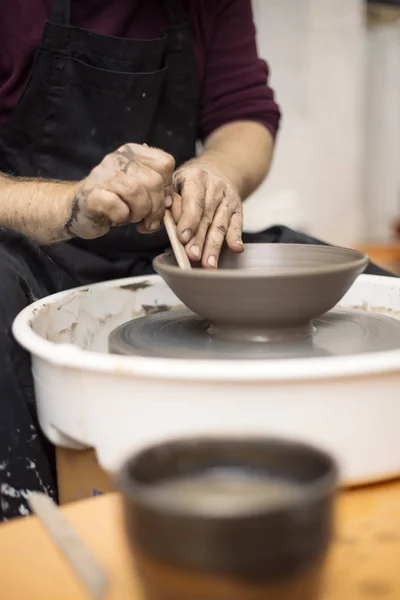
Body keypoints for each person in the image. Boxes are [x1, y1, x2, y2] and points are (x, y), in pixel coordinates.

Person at [0, 0, 391, 520]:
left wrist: (216, 171)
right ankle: (31, 544)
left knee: (358, 281)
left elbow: (244, 113)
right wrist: (69, 205)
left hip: (170, 250)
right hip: (27, 248)